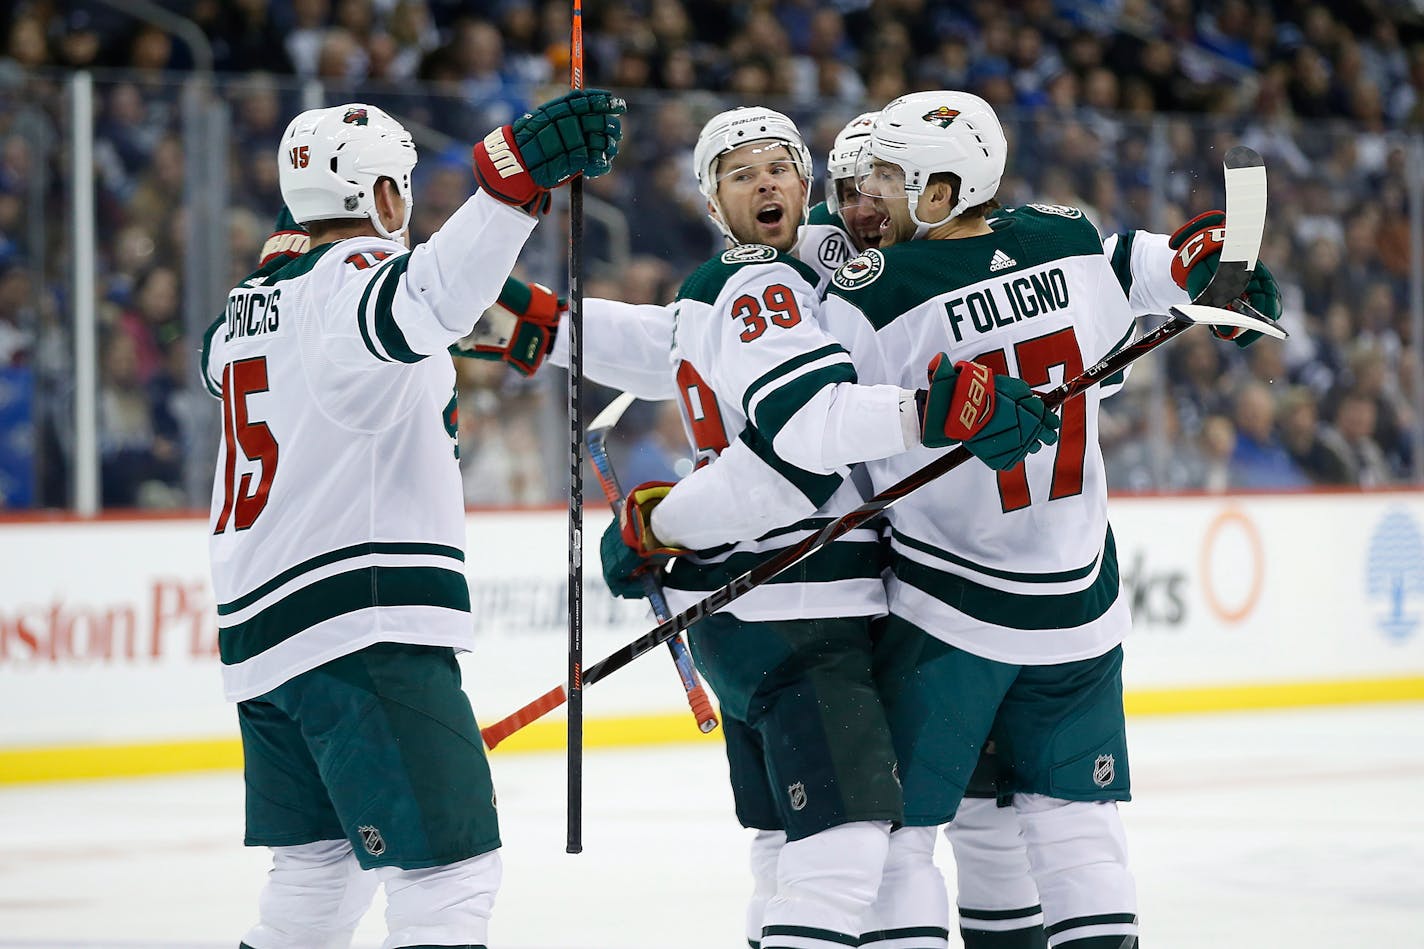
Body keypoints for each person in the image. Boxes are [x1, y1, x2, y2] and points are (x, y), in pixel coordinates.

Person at [819, 91, 1283, 949]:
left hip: (945, 613)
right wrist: (1209, 263)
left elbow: (813, 414)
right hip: (1078, 614)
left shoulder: (876, 293)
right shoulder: (1061, 239)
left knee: (897, 839)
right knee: (1079, 835)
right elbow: (1148, 261)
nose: (862, 200)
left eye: (887, 177)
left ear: (944, 187)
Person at [594, 105, 1058, 949]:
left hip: (760, 608)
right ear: (711, 201)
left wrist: (538, 325)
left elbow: (649, 342)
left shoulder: (782, 279)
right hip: (798, 605)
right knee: (860, 852)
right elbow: (798, 454)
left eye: (779, 166)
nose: (765, 180)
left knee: (789, 849)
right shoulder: (763, 287)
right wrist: (667, 521)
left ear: (806, 186)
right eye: (741, 173)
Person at [200, 92, 623, 949]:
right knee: (450, 876)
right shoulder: (352, 285)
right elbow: (415, 300)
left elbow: (261, 351)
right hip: (362, 625)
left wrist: (496, 313)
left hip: (267, 646)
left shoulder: (250, 306)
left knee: (315, 881)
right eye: (400, 191)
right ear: (384, 200)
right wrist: (510, 186)